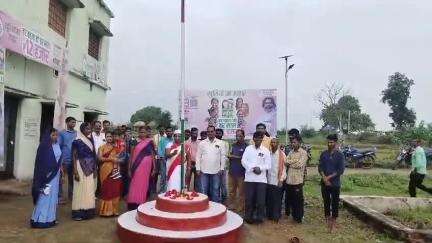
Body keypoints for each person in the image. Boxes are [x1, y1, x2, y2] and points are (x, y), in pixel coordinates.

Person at [30, 128, 62, 228]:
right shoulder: (43, 146)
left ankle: (50, 219)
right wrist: (46, 173)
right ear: (48, 135)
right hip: (46, 176)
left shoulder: (57, 145)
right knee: (44, 196)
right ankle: (39, 220)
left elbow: (59, 159)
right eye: (53, 135)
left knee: (53, 197)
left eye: (57, 135)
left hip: (55, 175)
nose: (55, 137)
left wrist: (60, 170)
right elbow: (40, 163)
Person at [241, 132, 271, 224]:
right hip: (249, 179)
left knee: (260, 201)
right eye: (256, 138)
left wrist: (260, 168)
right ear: (253, 139)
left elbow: (268, 165)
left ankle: (259, 218)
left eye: (260, 138)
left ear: (262, 139)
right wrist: (252, 168)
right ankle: (248, 217)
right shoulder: (248, 149)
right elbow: (243, 161)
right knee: (249, 200)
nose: (258, 140)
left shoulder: (265, 150)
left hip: (261, 180)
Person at [318, 134, 345, 232]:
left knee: (334, 202)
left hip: (335, 183)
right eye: (328, 142)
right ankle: (327, 218)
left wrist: (328, 178)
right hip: (324, 182)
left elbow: (340, 170)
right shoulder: (324, 154)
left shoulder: (340, 155)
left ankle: (334, 221)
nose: (330, 144)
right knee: (326, 201)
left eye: (332, 142)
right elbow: (320, 167)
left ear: (335, 143)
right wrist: (324, 178)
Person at [71, 123, 97, 221]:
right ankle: (78, 213)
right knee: (79, 189)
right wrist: (75, 171)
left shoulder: (91, 140)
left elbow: (93, 155)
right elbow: (73, 156)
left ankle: (89, 212)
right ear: (82, 130)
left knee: (89, 189)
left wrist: (95, 169)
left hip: (90, 167)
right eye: (86, 129)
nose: (89, 131)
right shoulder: (76, 141)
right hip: (80, 166)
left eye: (90, 129)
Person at [127, 126, 156, 210]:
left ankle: (141, 202)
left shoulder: (150, 142)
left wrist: (154, 168)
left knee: (144, 184)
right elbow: (131, 156)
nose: (142, 134)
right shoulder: (134, 142)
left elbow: (153, 155)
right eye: (141, 132)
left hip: (147, 168)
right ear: (138, 133)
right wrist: (129, 169)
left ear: (147, 133)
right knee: (135, 183)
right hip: (136, 166)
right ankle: (133, 203)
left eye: (144, 132)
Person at [196, 125, 226, 203]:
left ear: (215, 132)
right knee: (203, 190)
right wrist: (198, 168)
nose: (210, 133)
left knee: (215, 190)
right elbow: (198, 156)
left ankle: (215, 208)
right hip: (203, 171)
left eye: (212, 131)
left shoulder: (221, 143)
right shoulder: (202, 143)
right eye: (208, 132)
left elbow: (223, 156)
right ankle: (203, 206)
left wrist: (222, 168)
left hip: (216, 171)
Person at [98, 131, 123, 217]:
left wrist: (118, 162)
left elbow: (120, 159)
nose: (109, 138)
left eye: (110, 136)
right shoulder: (101, 147)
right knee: (106, 189)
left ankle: (114, 210)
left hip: (115, 170)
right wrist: (111, 159)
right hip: (105, 170)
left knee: (114, 189)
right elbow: (100, 158)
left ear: (113, 138)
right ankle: (106, 211)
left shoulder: (116, 148)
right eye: (107, 136)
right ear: (105, 137)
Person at [285, 135, 307, 223]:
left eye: (294, 142)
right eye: (292, 142)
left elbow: (300, 165)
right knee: (290, 200)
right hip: (289, 180)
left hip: (297, 181)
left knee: (298, 201)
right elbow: (285, 162)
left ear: (299, 142)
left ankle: (298, 218)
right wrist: (294, 161)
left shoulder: (303, 153)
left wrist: (290, 163)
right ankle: (292, 216)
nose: (293, 144)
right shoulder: (290, 152)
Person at [266, 138, 287, 222]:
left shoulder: (282, 155)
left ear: (278, 144)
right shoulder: (268, 154)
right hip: (268, 181)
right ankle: (269, 216)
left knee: (277, 200)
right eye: (272, 142)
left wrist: (281, 180)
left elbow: (284, 169)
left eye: (275, 142)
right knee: (269, 199)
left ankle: (276, 216)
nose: (273, 144)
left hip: (277, 181)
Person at [58, 117, 77, 204]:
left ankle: (71, 195)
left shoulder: (77, 133)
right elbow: (59, 146)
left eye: (74, 122)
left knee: (72, 178)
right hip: (65, 159)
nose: (74, 124)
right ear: (67, 123)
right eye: (72, 122)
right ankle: (60, 196)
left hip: (74, 160)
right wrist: (60, 159)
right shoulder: (62, 133)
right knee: (61, 178)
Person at [227, 129, 247, 212]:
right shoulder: (233, 145)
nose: (238, 137)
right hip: (231, 172)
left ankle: (240, 207)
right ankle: (232, 205)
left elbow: (244, 159)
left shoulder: (247, 146)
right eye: (237, 136)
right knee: (231, 191)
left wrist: (234, 157)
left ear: (244, 136)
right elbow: (229, 155)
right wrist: (236, 157)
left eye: (240, 136)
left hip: (241, 173)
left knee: (241, 192)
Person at [157, 126, 173, 193]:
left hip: (172, 160)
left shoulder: (174, 140)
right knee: (163, 176)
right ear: (165, 132)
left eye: (170, 131)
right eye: (168, 131)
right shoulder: (162, 140)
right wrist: (161, 157)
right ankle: (161, 192)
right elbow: (159, 149)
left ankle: (169, 190)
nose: (169, 132)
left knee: (170, 175)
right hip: (163, 160)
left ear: (172, 132)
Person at [216, 128, 229, 204]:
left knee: (223, 184)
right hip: (214, 167)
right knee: (216, 184)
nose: (218, 134)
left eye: (219, 133)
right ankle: (216, 200)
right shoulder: (213, 142)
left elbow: (225, 155)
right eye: (217, 133)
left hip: (222, 167)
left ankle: (224, 200)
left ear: (222, 134)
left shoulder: (225, 143)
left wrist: (222, 166)